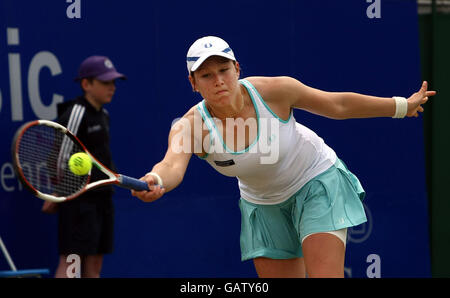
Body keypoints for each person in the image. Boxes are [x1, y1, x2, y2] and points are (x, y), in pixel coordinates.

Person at [131, 36, 435, 278]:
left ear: (237, 68)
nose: (218, 80)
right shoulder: (191, 126)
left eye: (224, 70)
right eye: (206, 75)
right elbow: (171, 165)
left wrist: (400, 106)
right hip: (262, 205)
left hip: (315, 181)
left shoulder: (275, 91)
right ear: (193, 83)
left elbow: (336, 105)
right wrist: (156, 180)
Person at [42, 55, 126, 278]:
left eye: (113, 82)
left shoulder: (104, 115)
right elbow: (58, 156)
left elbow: (102, 158)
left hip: (102, 198)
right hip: (79, 201)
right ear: (86, 84)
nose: (112, 87)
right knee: (71, 264)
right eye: (105, 82)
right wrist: (60, 192)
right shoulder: (75, 113)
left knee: (95, 266)